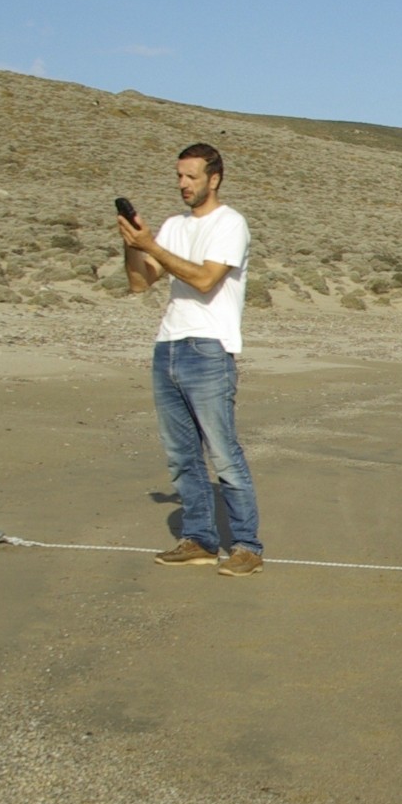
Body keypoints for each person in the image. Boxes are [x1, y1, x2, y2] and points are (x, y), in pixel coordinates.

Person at [118, 143, 265, 576]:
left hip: (209, 348)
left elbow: (204, 279)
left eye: (191, 177)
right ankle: (199, 538)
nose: (183, 184)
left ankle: (246, 545)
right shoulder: (171, 226)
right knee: (181, 454)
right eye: (179, 176)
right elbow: (140, 283)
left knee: (222, 452)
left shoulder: (230, 223)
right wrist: (132, 244)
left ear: (214, 178)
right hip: (168, 345)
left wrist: (152, 246)